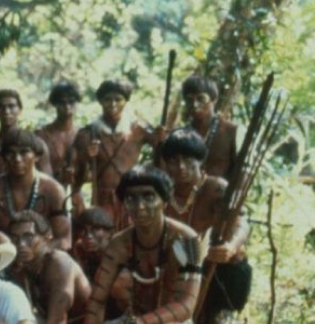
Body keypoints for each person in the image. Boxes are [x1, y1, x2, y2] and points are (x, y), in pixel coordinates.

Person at [59, 166, 201, 324]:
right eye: (131, 198)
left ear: (164, 200)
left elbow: (186, 306)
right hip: (131, 322)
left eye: (148, 196)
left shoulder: (186, 240)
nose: (139, 206)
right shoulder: (120, 244)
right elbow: (97, 300)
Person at [160, 129, 251, 324]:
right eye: (174, 161)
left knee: (236, 261)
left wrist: (230, 245)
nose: (180, 167)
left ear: (200, 161)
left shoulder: (217, 188)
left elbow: (241, 223)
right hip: (176, 264)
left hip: (212, 266)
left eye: (188, 160)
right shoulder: (162, 190)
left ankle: (217, 318)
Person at [4, 211, 91, 324]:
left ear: (47, 237)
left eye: (29, 237)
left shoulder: (59, 263)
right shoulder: (23, 268)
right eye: (15, 239)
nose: (21, 244)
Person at [71, 79, 165, 229]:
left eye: (118, 99)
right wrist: (86, 158)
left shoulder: (138, 129)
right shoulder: (88, 133)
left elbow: (162, 153)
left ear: (126, 101)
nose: (113, 104)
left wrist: (160, 139)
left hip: (133, 198)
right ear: (100, 101)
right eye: (107, 99)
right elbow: (76, 176)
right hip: (102, 199)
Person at [0, 130, 71, 250]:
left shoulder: (53, 190)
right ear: (3, 157)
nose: (17, 159)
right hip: (2, 256)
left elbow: (65, 241)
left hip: (41, 259)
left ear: (37, 156)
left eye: (24, 152)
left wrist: (37, 251)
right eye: (10, 153)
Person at [181, 75, 239, 183]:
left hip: (218, 196)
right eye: (190, 100)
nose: (195, 104)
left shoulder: (232, 131)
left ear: (214, 100)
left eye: (201, 99)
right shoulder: (181, 135)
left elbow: (242, 174)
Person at [0, 89, 52, 178]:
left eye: (11, 106)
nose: (6, 111)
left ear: (19, 110)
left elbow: (47, 180)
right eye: (1, 107)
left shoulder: (35, 143)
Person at [36, 80, 82, 188]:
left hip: (75, 196)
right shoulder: (42, 135)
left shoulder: (83, 135)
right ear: (55, 104)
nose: (67, 106)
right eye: (62, 102)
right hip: (49, 194)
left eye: (71, 102)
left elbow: (91, 173)